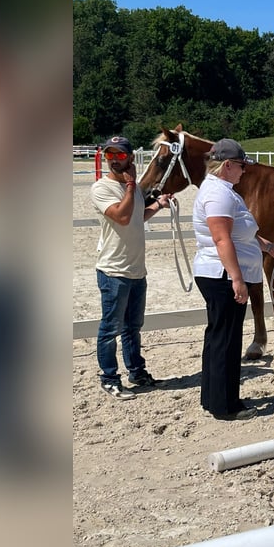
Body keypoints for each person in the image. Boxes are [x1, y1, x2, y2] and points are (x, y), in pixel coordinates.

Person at [192, 139, 274, 420]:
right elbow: (222, 239)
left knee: (218, 336)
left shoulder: (223, 190)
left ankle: (212, 398)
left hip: (218, 273)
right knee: (227, 340)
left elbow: (240, 231)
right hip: (222, 275)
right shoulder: (219, 194)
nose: (245, 171)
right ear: (228, 165)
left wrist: (268, 246)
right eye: (242, 166)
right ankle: (226, 406)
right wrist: (237, 279)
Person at [90, 136, 173, 400]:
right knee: (110, 328)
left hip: (136, 268)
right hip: (114, 270)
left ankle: (137, 371)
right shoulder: (102, 188)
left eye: (120, 155)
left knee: (132, 327)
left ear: (129, 158)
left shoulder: (134, 190)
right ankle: (109, 377)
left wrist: (157, 205)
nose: (115, 160)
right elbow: (123, 217)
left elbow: (137, 215)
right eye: (110, 155)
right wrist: (129, 186)